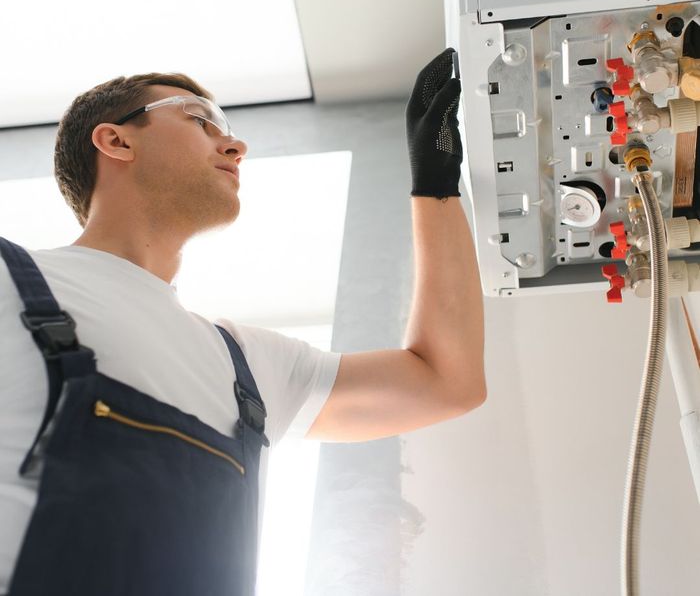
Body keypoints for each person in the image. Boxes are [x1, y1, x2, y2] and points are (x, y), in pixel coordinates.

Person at [0, 47, 485, 595]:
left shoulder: (246, 367)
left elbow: (445, 380)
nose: (235, 144)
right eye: (201, 121)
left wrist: (436, 184)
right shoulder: (9, 280)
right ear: (116, 140)